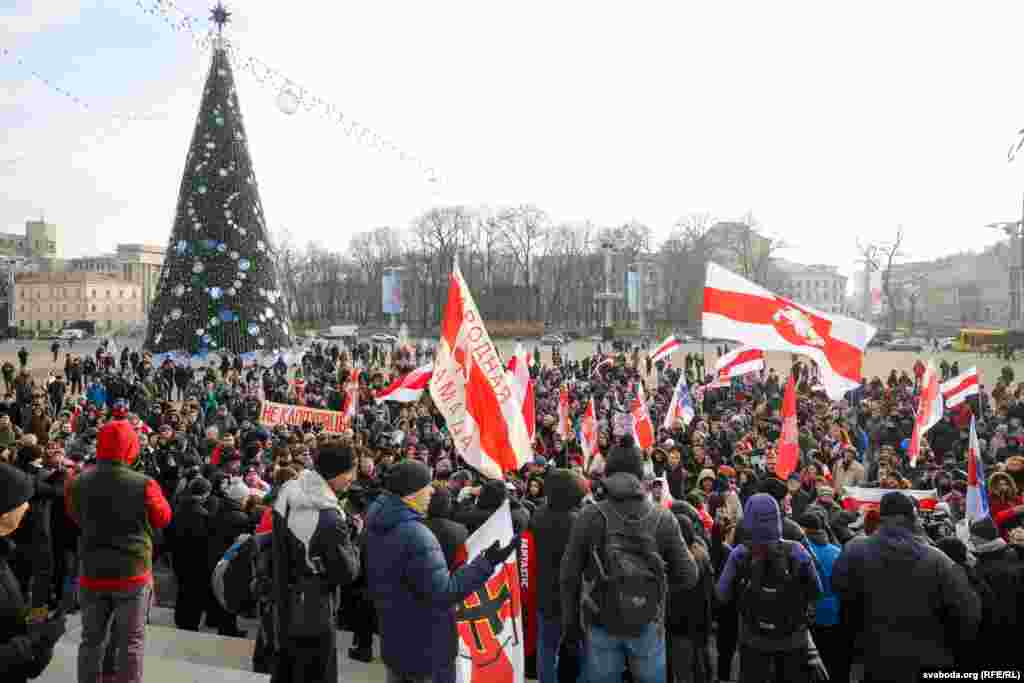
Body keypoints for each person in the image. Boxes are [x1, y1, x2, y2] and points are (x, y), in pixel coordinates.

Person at [366, 460, 519, 683]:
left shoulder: (377, 522)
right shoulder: (416, 535)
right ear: (410, 493)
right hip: (426, 645)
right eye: (426, 486)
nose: (431, 491)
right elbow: (444, 593)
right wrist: (485, 563)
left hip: (395, 639)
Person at [559, 444, 698, 683]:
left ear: (608, 473)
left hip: (600, 619)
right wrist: (655, 590)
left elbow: (568, 575)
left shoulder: (588, 516)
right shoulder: (663, 517)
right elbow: (689, 575)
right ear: (640, 474)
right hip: (647, 621)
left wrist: (570, 625)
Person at [832, 491, 981, 682]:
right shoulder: (938, 560)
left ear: (881, 516)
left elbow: (839, 591)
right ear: (913, 517)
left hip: (873, 659)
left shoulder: (854, 550)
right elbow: (968, 612)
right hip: (929, 659)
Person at [66, 419, 172, 683]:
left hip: (92, 571)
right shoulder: (145, 484)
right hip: (132, 573)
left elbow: (74, 515)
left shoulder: (77, 482)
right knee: (131, 642)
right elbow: (163, 518)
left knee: (91, 639)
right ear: (131, 448)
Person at [268, 441, 361, 683]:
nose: (353, 477)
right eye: (351, 470)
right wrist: (355, 543)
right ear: (336, 472)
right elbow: (346, 572)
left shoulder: (289, 491)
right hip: (314, 609)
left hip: (285, 601)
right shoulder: (329, 517)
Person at [716, 494, 820, 683]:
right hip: (793, 637)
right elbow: (817, 590)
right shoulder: (797, 550)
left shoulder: (739, 554)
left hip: (753, 637)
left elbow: (722, 595)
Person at [0, 462, 65, 683]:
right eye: (21, 501)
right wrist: (36, 643)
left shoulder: (6, 555)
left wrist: (36, 635)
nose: (27, 507)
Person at [530, 468, 587, 683]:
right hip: (573, 594)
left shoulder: (538, 515)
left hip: (546, 591)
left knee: (547, 648)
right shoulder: (577, 521)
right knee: (580, 646)